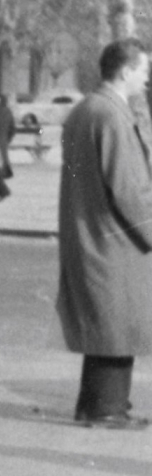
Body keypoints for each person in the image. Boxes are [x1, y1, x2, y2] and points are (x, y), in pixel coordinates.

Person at [57, 39, 152, 430]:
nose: (146, 79)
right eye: (144, 71)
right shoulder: (112, 115)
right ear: (126, 71)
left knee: (104, 321)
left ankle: (94, 404)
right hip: (114, 237)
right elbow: (129, 189)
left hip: (92, 231)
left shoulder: (86, 109)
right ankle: (107, 409)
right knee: (118, 321)